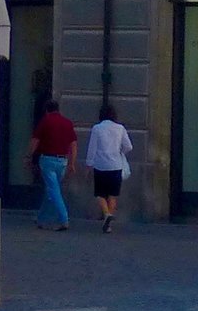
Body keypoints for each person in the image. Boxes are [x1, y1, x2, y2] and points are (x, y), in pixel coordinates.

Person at [29, 99, 75, 231]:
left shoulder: (45, 121)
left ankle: (64, 219)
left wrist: (29, 156)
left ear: (46, 110)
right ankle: (41, 219)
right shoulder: (67, 123)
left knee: (53, 190)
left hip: (48, 160)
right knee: (51, 190)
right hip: (63, 161)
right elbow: (73, 144)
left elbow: (35, 140)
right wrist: (72, 163)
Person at [85, 103, 133, 232]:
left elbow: (92, 148)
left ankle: (106, 214)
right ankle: (109, 223)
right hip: (116, 165)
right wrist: (120, 151)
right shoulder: (120, 128)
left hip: (101, 165)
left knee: (100, 194)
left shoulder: (97, 128)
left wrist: (89, 164)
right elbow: (129, 146)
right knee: (113, 194)